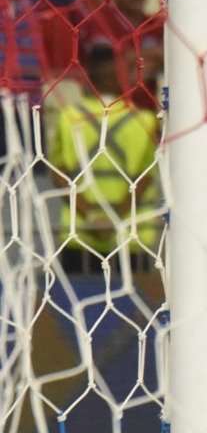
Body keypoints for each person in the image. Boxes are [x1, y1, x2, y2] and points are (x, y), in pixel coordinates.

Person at [49, 41, 162, 273]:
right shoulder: (145, 120)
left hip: (80, 234)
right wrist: (116, 218)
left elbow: (58, 174)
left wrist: (90, 217)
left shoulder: (68, 117)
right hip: (131, 235)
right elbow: (145, 178)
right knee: (130, 307)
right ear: (118, 77)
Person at [75, 0, 163, 109]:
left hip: (146, 111)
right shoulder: (100, 21)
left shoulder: (155, 25)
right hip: (107, 107)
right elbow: (104, 69)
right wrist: (149, 56)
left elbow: (166, 61)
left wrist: (131, 60)